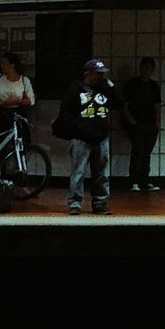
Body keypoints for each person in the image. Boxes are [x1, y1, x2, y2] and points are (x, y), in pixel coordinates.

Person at [56, 59, 128, 216]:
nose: (101, 76)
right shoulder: (75, 89)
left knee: (101, 173)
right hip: (81, 138)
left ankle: (100, 202)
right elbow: (66, 114)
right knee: (78, 171)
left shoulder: (105, 89)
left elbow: (121, 104)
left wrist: (110, 84)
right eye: (98, 73)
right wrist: (77, 130)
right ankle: (75, 203)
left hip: (101, 138)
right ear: (88, 74)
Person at [123, 57, 162, 193]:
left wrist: (157, 121)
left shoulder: (154, 86)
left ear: (152, 70)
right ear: (140, 68)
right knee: (137, 152)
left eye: (149, 68)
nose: (146, 71)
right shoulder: (132, 85)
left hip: (151, 123)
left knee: (146, 153)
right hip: (136, 123)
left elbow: (157, 105)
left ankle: (144, 181)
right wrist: (131, 121)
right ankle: (134, 181)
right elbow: (125, 106)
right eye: (144, 67)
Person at [0, 51, 35, 132]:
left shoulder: (24, 80)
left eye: (4, 63)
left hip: (17, 113)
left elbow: (31, 100)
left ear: (12, 65)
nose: (2, 66)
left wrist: (18, 101)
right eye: (1, 63)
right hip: (0, 114)